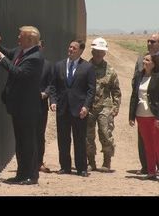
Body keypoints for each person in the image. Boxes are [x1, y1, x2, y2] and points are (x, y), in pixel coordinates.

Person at [0, 26, 44, 185]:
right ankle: (22, 174)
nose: (18, 38)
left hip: (28, 108)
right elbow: (10, 54)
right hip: (19, 107)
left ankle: (31, 176)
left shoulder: (35, 57)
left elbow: (19, 73)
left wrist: (1, 59)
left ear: (30, 40)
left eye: (20, 36)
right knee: (20, 142)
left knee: (28, 143)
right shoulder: (22, 52)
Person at [50, 39, 95, 177]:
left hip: (79, 110)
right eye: (69, 47)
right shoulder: (58, 66)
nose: (70, 49)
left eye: (74, 48)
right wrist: (53, 101)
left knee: (79, 139)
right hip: (62, 108)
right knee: (63, 139)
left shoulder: (87, 67)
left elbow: (91, 90)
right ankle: (65, 167)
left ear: (81, 51)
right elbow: (53, 86)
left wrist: (86, 106)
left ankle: (81, 168)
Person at [86, 37, 121, 172]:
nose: (98, 54)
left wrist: (115, 107)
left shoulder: (110, 70)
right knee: (87, 136)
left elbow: (116, 91)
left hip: (105, 107)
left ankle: (107, 161)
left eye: (101, 51)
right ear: (92, 51)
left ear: (105, 53)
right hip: (88, 106)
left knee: (105, 133)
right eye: (96, 51)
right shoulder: (85, 68)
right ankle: (91, 162)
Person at [132, 33, 159, 175]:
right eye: (148, 41)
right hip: (142, 110)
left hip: (156, 109)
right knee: (144, 141)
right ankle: (147, 167)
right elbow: (135, 78)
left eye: (153, 41)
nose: (149, 43)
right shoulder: (141, 58)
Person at [37, 39, 53, 173]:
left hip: (41, 105)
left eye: (39, 46)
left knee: (40, 135)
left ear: (42, 47)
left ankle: (39, 162)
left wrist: (46, 93)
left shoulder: (47, 65)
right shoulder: (26, 63)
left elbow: (51, 84)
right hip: (26, 105)